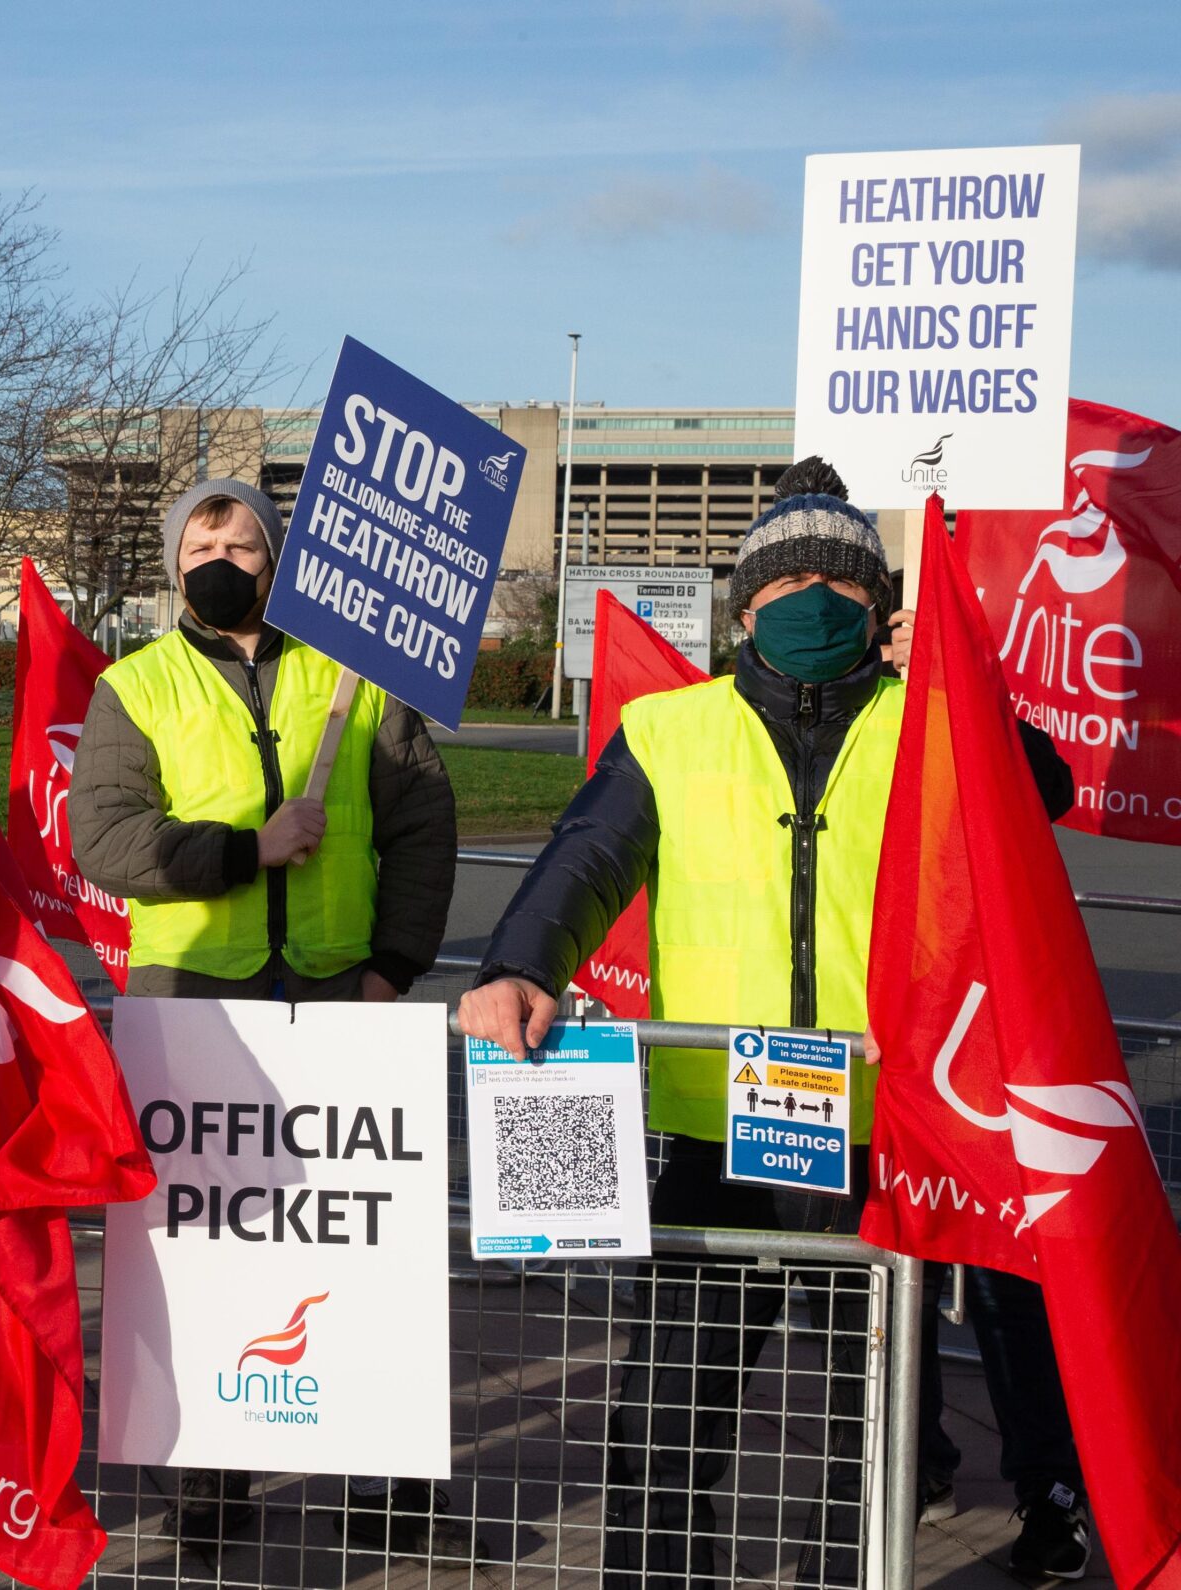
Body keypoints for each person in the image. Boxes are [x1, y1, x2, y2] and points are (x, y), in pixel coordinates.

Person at [458, 478, 1087, 1585]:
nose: (814, 599)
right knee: (667, 1411)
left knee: (873, 1418)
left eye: (841, 581)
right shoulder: (667, 728)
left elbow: (1043, 789)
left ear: (877, 603)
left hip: (881, 1129)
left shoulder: (931, 717)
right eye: (789, 580)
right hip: (718, 1124)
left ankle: (845, 1574)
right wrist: (517, 964)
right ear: (744, 609)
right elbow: (584, 860)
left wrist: (959, 673)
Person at [67, 478, 461, 1552]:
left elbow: (424, 827)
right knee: (203, 1255)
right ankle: (209, 1484)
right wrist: (244, 850)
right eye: (203, 537)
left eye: (244, 538)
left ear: (279, 557)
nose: (223, 553)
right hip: (196, 1009)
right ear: (172, 557)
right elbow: (103, 838)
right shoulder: (133, 687)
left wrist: (392, 965)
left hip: (343, 998)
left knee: (360, 1249)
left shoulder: (357, 679)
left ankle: (381, 1479)